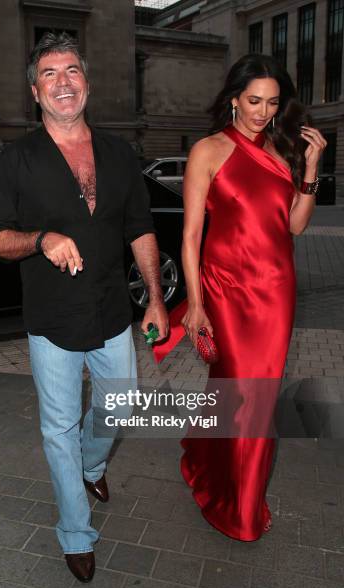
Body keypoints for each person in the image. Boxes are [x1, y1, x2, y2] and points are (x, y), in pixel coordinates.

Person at [0, 31, 168, 581]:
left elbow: (140, 228)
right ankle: (76, 532)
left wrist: (155, 298)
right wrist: (41, 239)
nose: (63, 83)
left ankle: (92, 463)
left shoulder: (118, 152)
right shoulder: (15, 160)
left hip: (112, 311)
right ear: (34, 92)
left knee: (122, 407)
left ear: (86, 81)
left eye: (72, 72)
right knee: (58, 426)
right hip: (52, 319)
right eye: (49, 75)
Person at [179, 54, 326, 540]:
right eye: (254, 101)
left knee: (254, 401)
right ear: (234, 99)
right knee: (241, 393)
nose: (263, 112)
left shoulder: (284, 152)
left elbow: (295, 225)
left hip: (277, 291)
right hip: (225, 288)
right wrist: (195, 304)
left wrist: (312, 167)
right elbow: (191, 235)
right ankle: (234, 506)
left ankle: (211, 464)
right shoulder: (208, 150)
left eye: (272, 103)